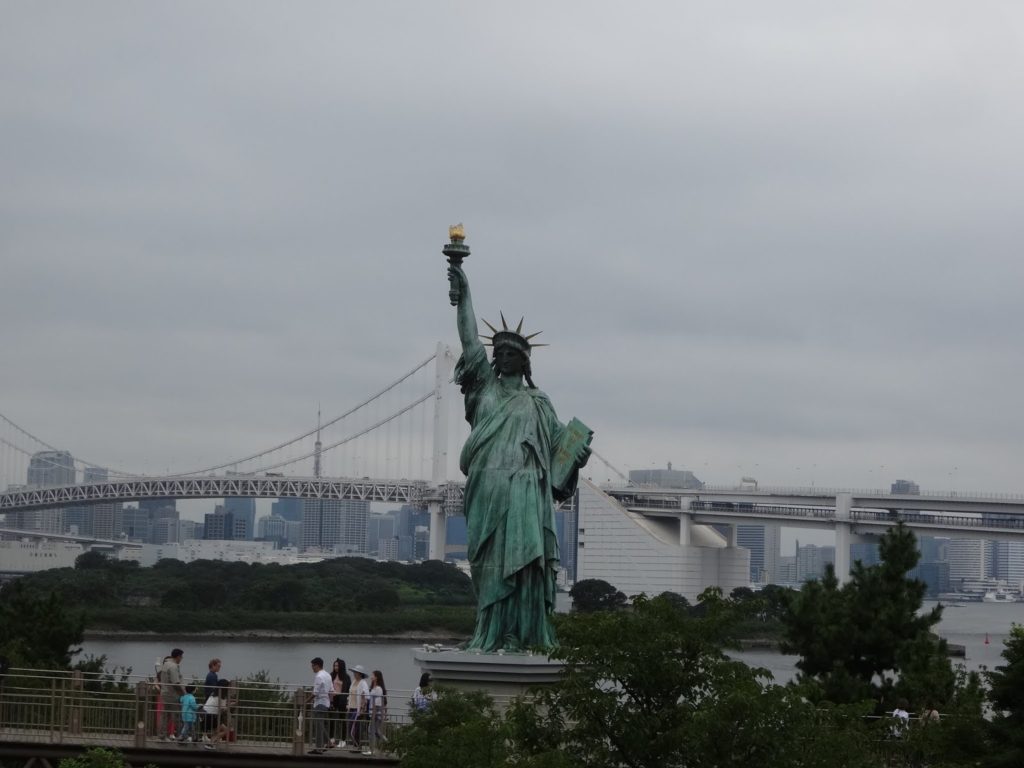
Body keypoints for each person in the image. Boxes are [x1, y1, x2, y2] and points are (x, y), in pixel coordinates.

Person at [447, 257, 591, 651]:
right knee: (489, 564)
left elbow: (562, 445)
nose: (504, 355)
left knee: (527, 564)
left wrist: (577, 456)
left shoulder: (538, 402)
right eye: (500, 351)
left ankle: (521, 634)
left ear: (525, 361)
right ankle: (490, 631)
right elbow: (468, 338)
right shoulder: (483, 390)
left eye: (513, 352)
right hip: (488, 489)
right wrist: (464, 292)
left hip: (526, 492)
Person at [157, 649, 185, 741]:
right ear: (178, 657)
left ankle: (162, 735)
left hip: (164, 693)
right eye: (181, 656)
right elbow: (176, 683)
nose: (182, 659)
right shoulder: (173, 666)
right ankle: (180, 736)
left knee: (165, 715)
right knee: (177, 716)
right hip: (172, 695)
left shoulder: (166, 664)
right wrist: (183, 694)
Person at [308, 657, 332, 754]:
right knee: (321, 725)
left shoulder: (318, 676)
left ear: (317, 665)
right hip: (326, 703)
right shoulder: (328, 675)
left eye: (313, 666)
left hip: (319, 703)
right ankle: (327, 743)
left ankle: (319, 748)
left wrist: (306, 701)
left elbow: (315, 693)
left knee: (318, 726)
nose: (312, 668)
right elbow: (331, 689)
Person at [202, 680, 232, 750]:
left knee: (217, 730)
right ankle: (211, 743)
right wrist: (231, 705)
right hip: (212, 716)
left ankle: (211, 742)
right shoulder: (222, 697)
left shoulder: (213, 694)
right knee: (226, 730)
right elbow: (223, 709)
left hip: (205, 715)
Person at [347, 665, 370, 751]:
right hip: (351, 707)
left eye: (356, 672)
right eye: (354, 672)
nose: (354, 674)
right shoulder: (353, 682)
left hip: (357, 709)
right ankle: (355, 745)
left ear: (360, 674)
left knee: (354, 728)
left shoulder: (363, 682)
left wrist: (362, 707)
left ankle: (358, 746)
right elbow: (350, 694)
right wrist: (348, 705)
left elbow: (367, 695)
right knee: (350, 727)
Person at [365, 670, 388, 755]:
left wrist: (373, 714)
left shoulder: (378, 689)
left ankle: (372, 750)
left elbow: (377, 703)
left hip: (376, 713)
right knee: (376, 731)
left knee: (371, 730)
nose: (371, 677)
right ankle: (387, 744)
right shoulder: (373, 688)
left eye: (373, 675)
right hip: (373, 712)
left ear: (376, 677)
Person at [329, 658, 351, 747]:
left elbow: (348, 689)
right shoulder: (331, 675)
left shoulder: (346, 677)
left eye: (337, 665)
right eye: (334, 665)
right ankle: (331, 738)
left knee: (342, 719)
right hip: (333, 698)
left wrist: (347, 702)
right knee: (331, 719)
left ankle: (343, 740)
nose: (335, 667)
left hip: (342, 699)